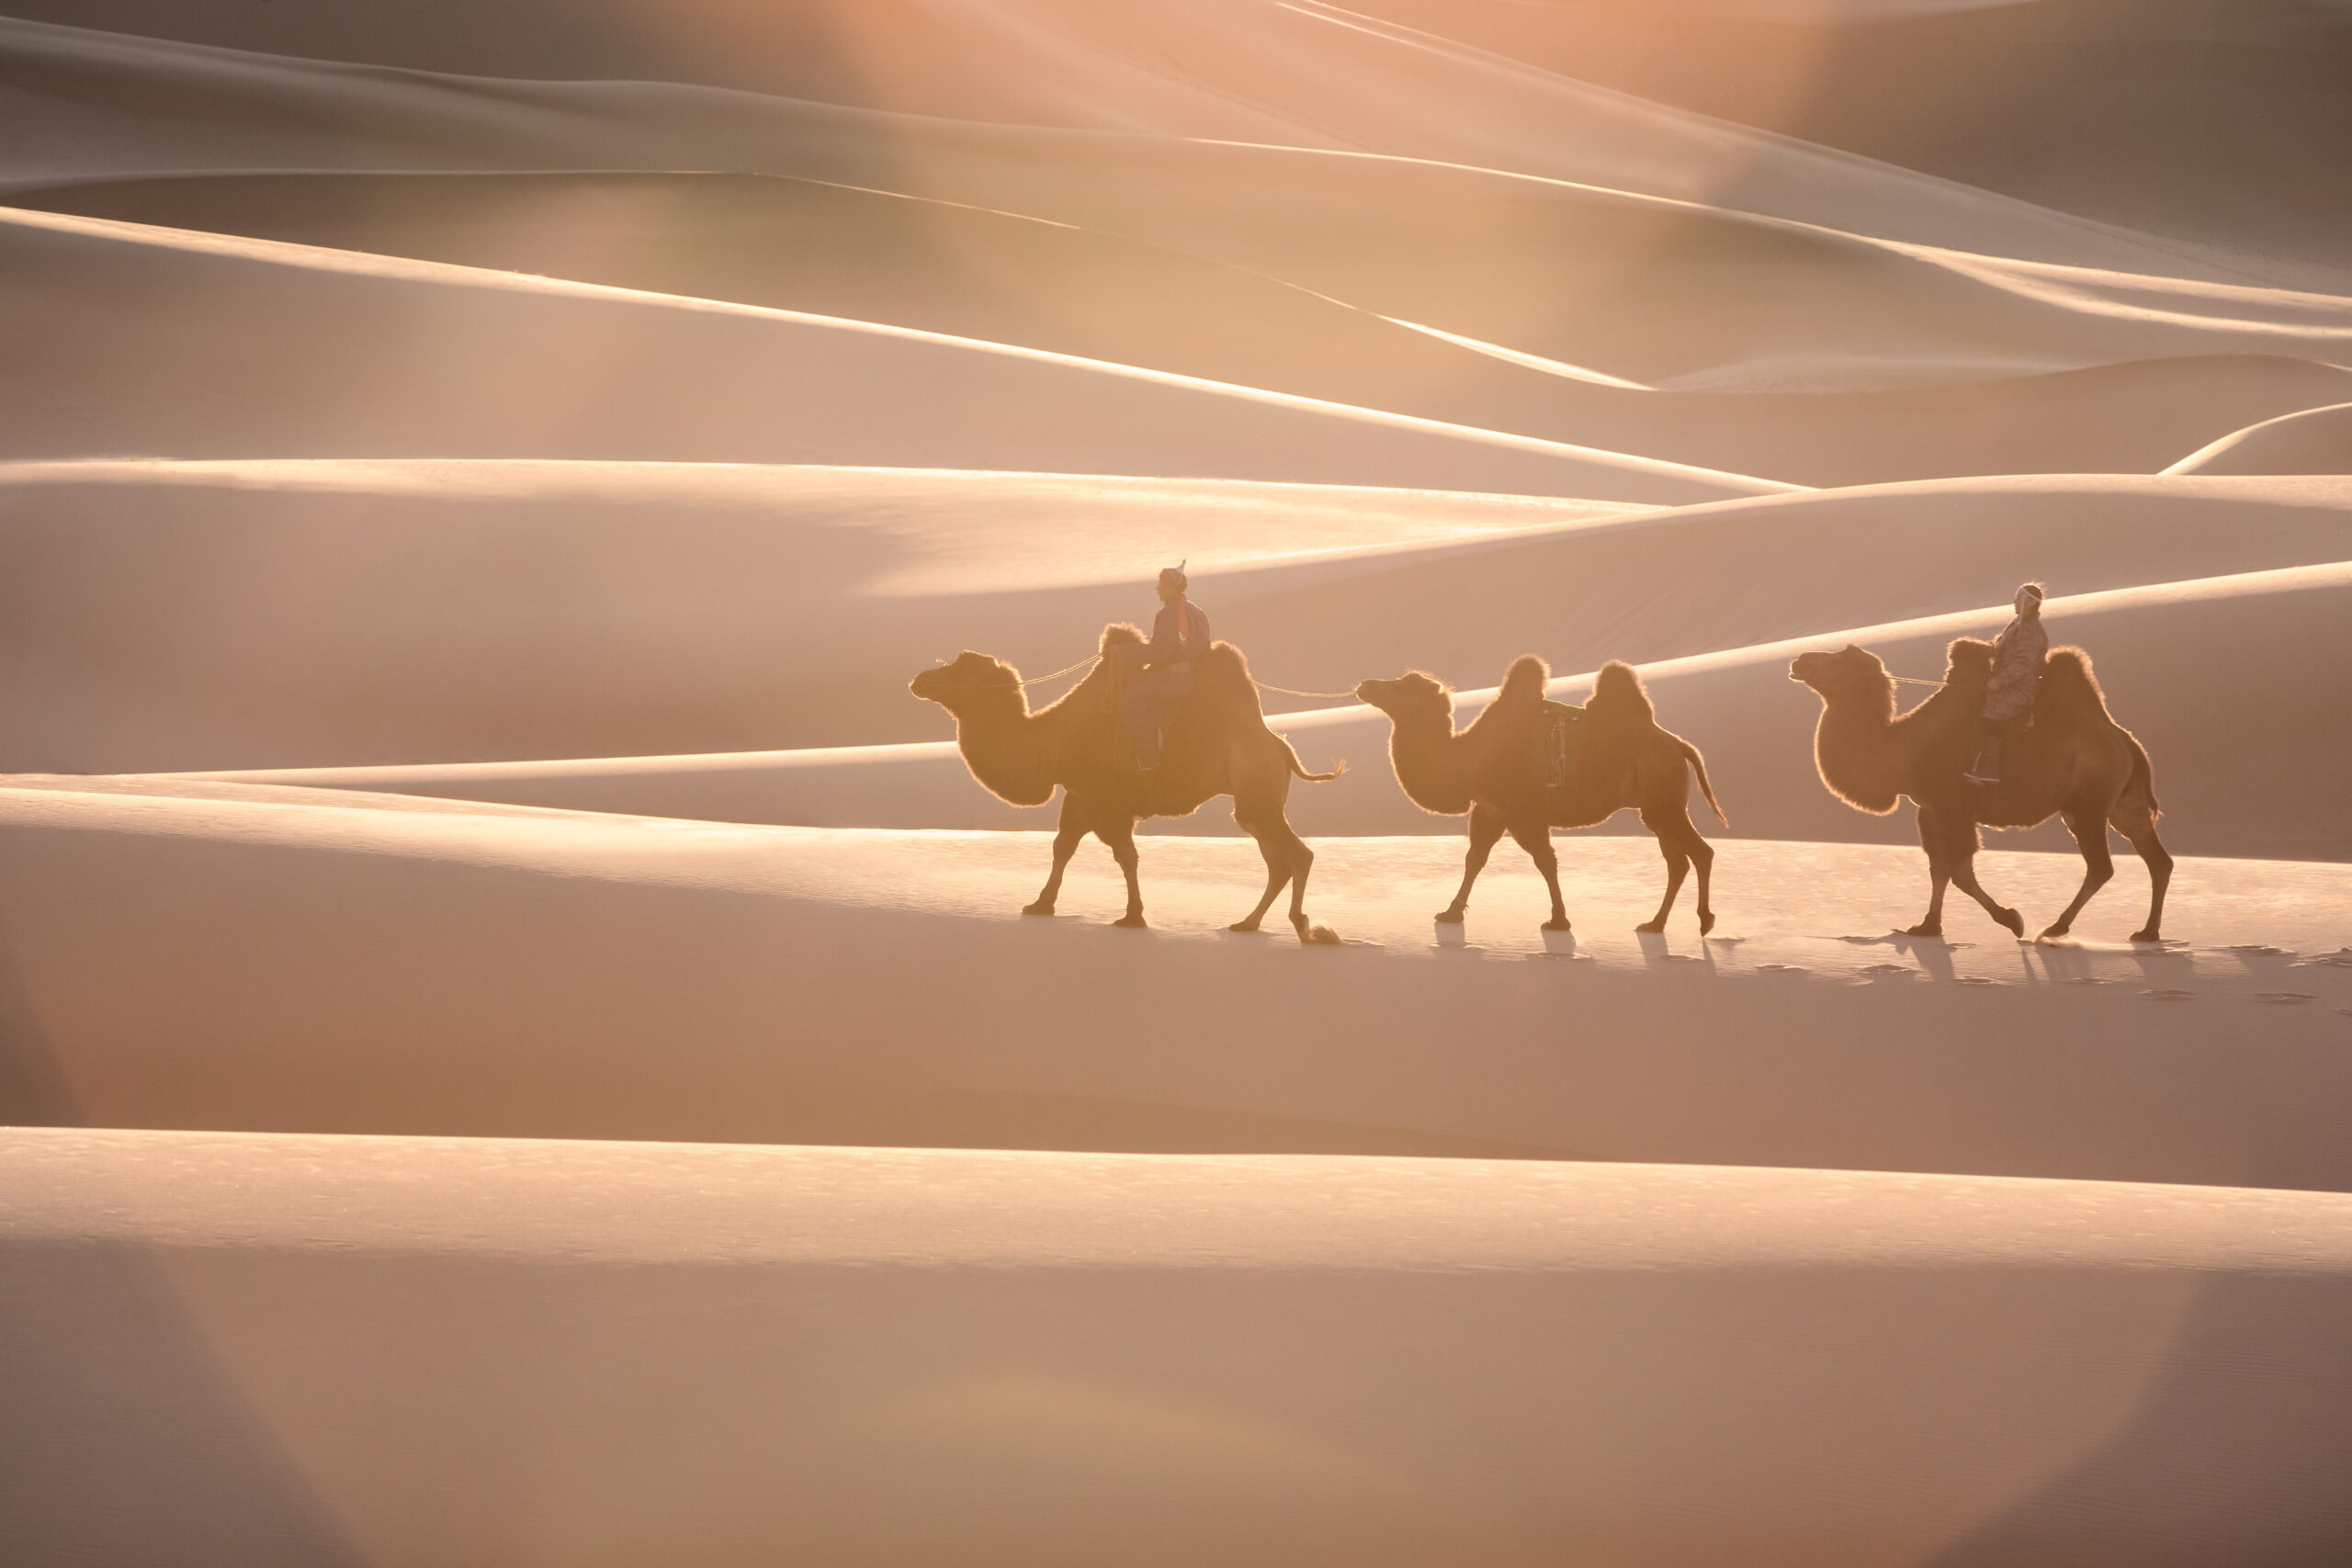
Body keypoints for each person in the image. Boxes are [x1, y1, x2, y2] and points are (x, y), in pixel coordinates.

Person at [1116, 564, 1212, 770]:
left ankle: (1146, 759)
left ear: (1172, 587)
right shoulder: (1197, 611)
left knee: (1133, 697)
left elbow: (1161, 652)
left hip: (1172, 679)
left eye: (1162, 584)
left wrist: (1122, 653)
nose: (1158, 588)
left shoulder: (1168, 613)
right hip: (1190, 677)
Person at [1964, 581, 2047, 784]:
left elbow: (2023, 665)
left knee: (1990, 713)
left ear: (2028, 603)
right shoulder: (2018, 624)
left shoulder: (2031, 632)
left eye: (2018, 599)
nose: (2014, 603)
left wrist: (1999, 682)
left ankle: (1990, 770)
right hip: (2005, 683)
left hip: (2020, 689)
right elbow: (2001, 646)